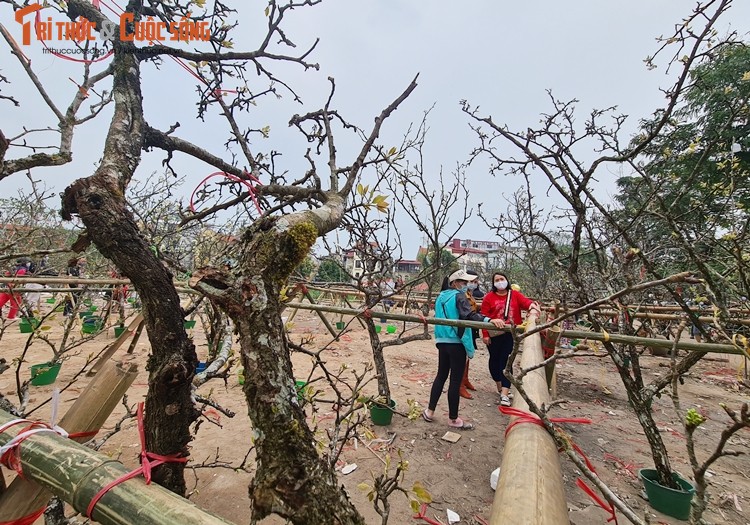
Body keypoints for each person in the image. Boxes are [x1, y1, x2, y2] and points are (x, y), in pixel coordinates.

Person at [423, 269, 505, 429]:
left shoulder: (441, 296)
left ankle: (429, 411)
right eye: (463, 282)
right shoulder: (458, 296)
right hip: (456, 342)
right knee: (455, 380)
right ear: (454, 283)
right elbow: (469, 315)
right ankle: (453, 419)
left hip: (442, 340)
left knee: (441, 375)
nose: (466, 285)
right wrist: (489, 319)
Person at [480, 271, 541, 407]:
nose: (500, 281)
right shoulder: (488, 297)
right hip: (494, 334)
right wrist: (485, 334)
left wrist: (532, 307)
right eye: (497, 280)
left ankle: (505, 393)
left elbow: (526, 302)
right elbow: (483, 316)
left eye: (502, 279)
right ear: (493, 283)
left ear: (507, 280)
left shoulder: (515, 295)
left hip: (511, 333)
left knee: (506, 361)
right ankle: (500, 386)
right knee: (494, 360)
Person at [458, 271, 483, 400]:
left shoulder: (469, 294)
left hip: (471, 327)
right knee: (463, 356)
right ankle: (460, 384)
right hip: (465, 327)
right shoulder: (461, 295)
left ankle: (465, 379)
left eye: (475, 281)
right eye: (472, 281)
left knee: (468, 355)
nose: (474, 283)